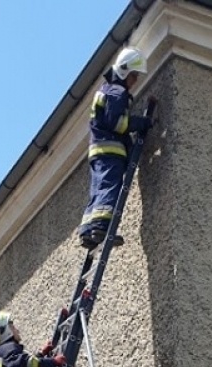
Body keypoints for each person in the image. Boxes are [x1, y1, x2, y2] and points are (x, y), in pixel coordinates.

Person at [78, 46, 153, 252]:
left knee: (98, 190)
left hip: (98, 151)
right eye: (134, 76)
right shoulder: (116, 93)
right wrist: (140, 123)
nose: (135, 81)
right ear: (125, 71)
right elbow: (117, 124)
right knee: (110, 187)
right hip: (110, 152)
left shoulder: (106, 90)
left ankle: (88, 230)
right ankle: (102, 228)